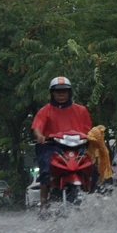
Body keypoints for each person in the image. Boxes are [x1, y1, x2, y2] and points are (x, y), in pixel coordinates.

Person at [31, 77, 93, 211]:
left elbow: (89, 130)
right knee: (45, 171)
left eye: (64, 91)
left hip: (77, 146)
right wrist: (40, 136)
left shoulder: (81, 110)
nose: (61, 94)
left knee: (93, 169)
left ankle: (93, 200)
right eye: (57, 92)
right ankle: (43, 205)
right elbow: (37, 126)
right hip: (52, 147)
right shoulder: (45, 111)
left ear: (69, 92)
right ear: (52, 93)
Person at [85, 124, 114, 192]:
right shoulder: (96, 145)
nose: (102, 137)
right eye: (101, 135)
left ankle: (92, 190)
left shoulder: (99, 148)